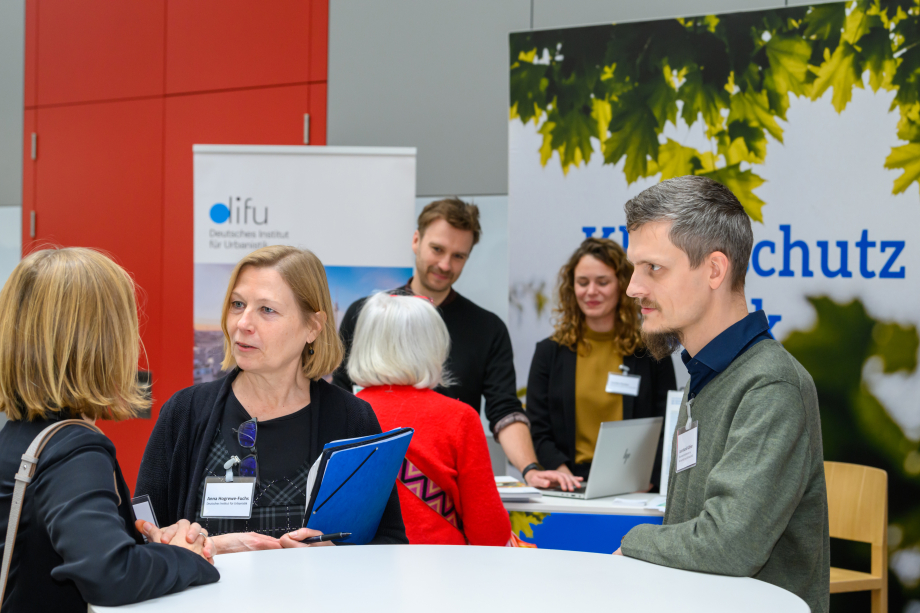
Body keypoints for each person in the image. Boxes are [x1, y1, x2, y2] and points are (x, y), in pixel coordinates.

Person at [613, 176, 829, 613]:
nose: (634, 287)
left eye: (653, 268)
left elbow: (728, 545)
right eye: (635, 268)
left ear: (714, 269)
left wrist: (632, 542)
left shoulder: (771, 385)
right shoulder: (705, 373)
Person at [136, 245, 407, 553]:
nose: (243, 323)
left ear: (312, 327)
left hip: (315, 602)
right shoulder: (185, 412)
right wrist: (207, 547)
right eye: (237, 304)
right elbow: (141, 537)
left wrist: (336, 555)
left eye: (267, 310)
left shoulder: (351, 418)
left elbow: (390, 545)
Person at [0, 248, 218, 613]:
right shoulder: (73, 448)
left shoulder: (17, 436)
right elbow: (109, 573)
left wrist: (146, 549)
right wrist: (184, 557)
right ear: (105, 341)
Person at [334, 198, 579, 491]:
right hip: (367, 480)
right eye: (437, 249)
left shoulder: (487, 328)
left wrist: (530, 469)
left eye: (459, 256)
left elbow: (504, 409)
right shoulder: (367, 314)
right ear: (416, 240)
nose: (445, 264)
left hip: (448, 488)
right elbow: (339, 397)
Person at [349, 293, 512, 546]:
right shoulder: (459, 418)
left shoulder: (341, 411)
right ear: (433, 346)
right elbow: (489, 533)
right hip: (444, 571)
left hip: (361, 570)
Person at [527, 238, 676, 486]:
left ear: (622, 286)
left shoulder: (651, 351)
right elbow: (537, 427)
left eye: (602, 282)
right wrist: (560, 471)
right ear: (571, 287)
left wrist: (647, 477)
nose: (591, 291)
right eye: (582, 282)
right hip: (568, 484)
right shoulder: (549, 353)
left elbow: (667, 423)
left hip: (635, 486)